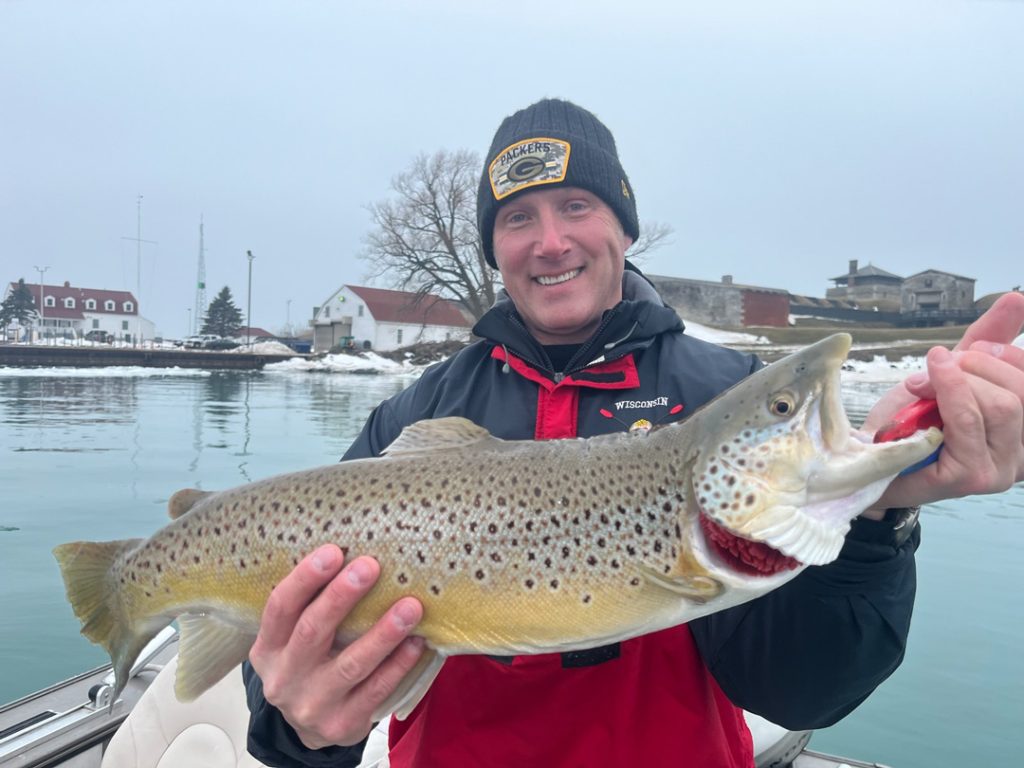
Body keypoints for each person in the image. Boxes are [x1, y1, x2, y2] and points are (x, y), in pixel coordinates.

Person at [243, 99, 1024, 767]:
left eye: (576, 206)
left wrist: (875, 519)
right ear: (495, 249)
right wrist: (302, 728)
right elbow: (285, 693)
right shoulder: (412, 415)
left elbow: (802, 689)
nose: (550, 241)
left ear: (624, 228)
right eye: (518, 218)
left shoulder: (726, 397)